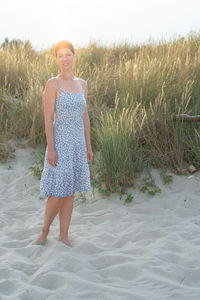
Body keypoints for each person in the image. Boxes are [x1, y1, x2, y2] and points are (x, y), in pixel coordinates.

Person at [35, 40, 93, 247]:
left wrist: (88, 145)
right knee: (58, 193)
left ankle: (64, 235)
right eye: (60, 55)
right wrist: (51, 148)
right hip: (60, 144)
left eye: (68, 54)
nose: (65, 59)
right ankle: (44, 231)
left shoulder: (83, 84)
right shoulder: (53, 84)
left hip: (77, 145)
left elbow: (85, 117)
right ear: (56, 59)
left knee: (70, 192)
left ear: (74, 56)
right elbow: (48, 118)